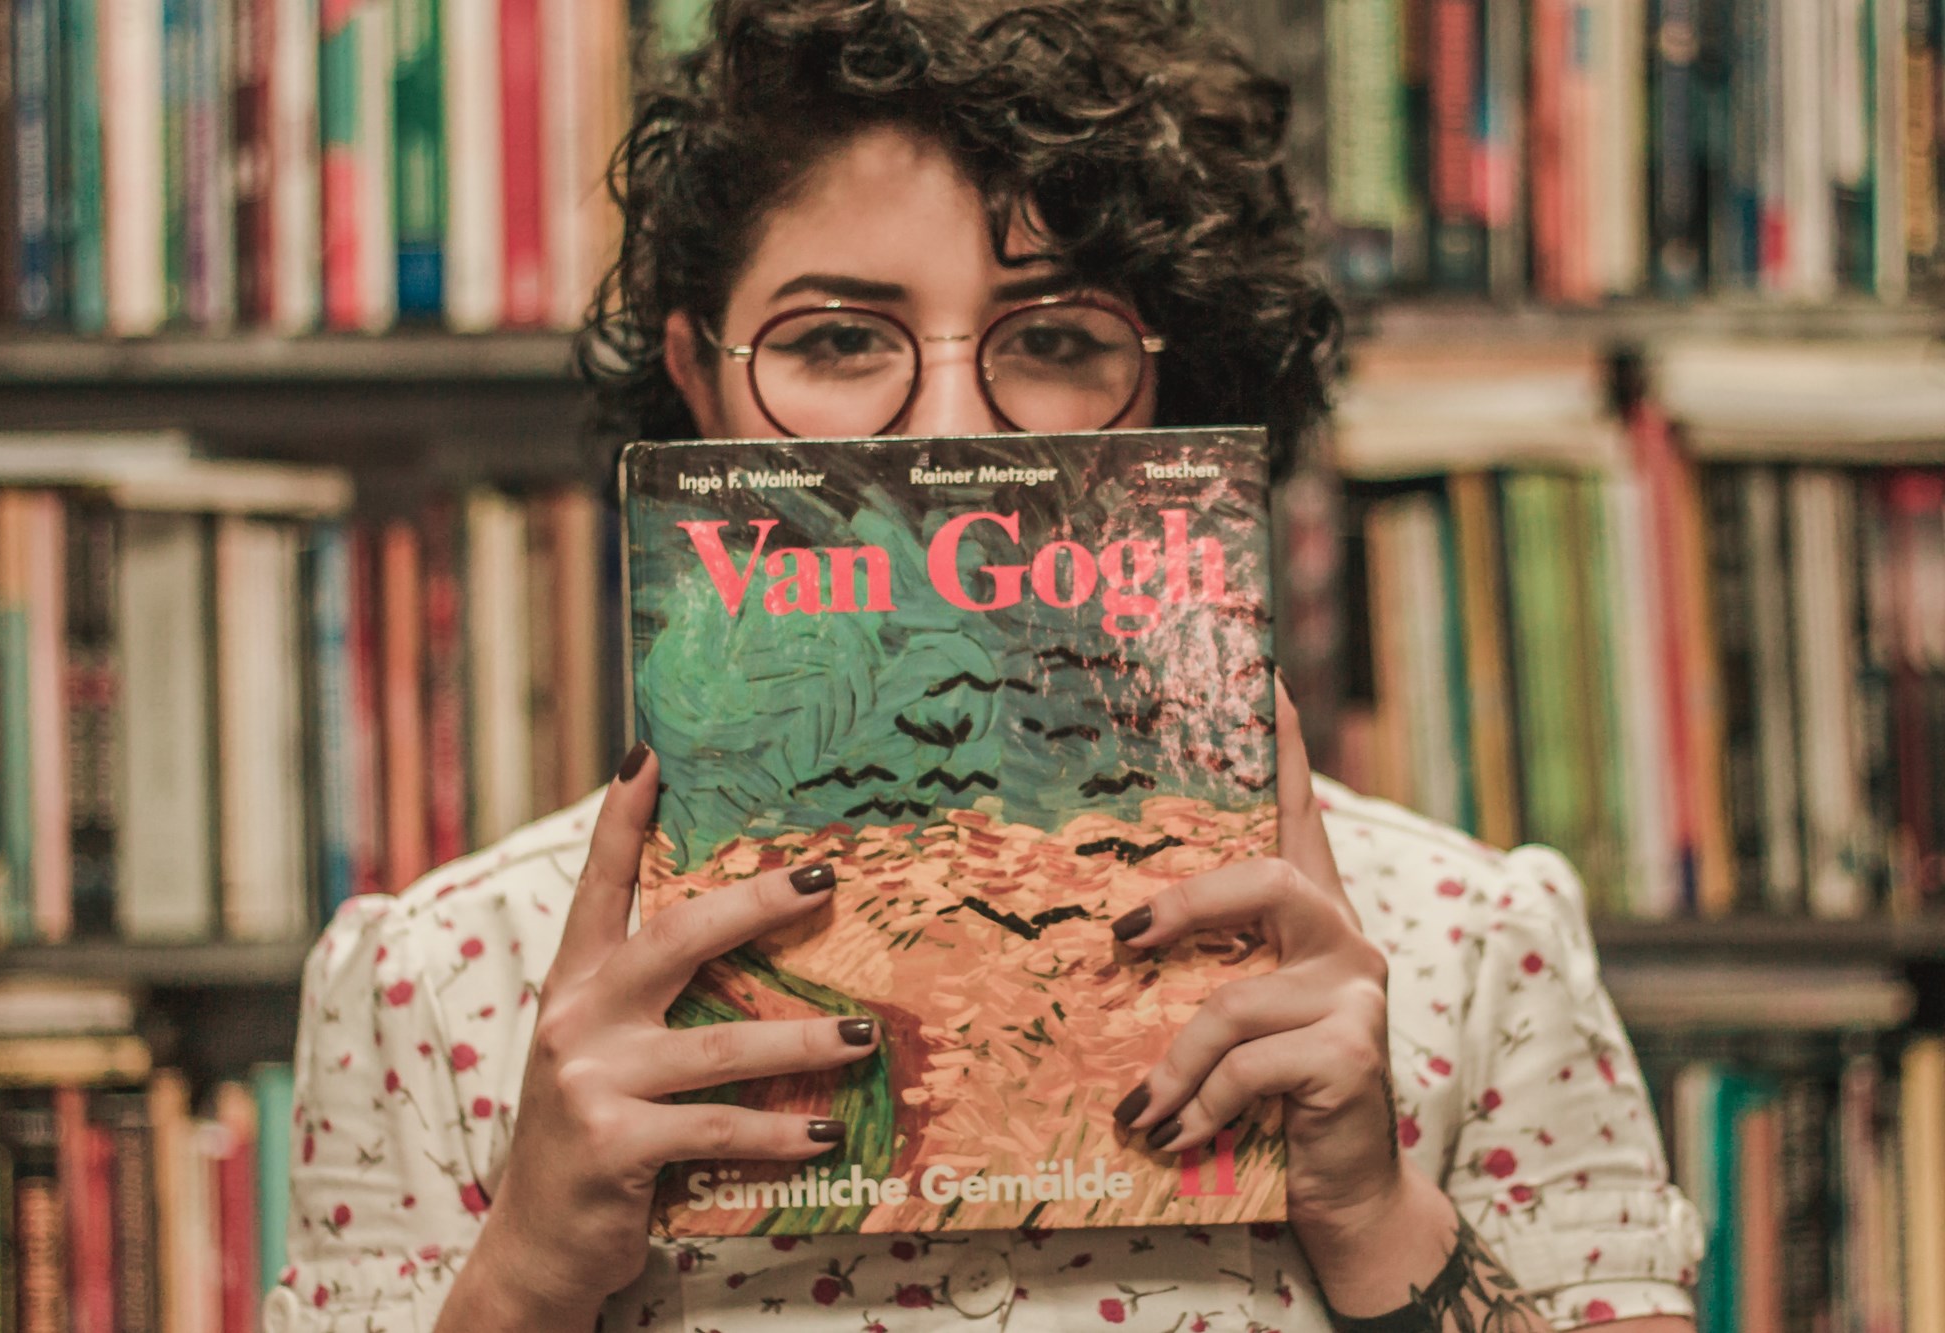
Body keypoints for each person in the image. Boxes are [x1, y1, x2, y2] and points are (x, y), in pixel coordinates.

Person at [266, 3, 1706, 1332]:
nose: (945, 428)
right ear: (699, 378)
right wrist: (523, 1272)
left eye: (1059, 338)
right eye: (838, 338)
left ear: (1173, 394)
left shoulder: (1463, 946)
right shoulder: (438, 987)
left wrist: (1379, 1218)